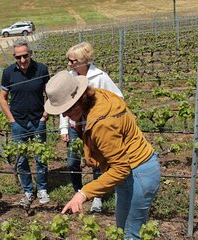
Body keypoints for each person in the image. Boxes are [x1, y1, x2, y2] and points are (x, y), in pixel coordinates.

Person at [45, 70, 160, 239]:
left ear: (79, 100)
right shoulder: (98, 96)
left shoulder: (102, 123)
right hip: (131, 171)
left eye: (67, 109)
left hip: (139, 173)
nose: (64, 115)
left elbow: (121, 168)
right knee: (123, 230)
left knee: (131, 234)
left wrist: (83, 193)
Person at [60, 42, 124, 212]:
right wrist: (64, 128)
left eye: (72, 61)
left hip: (95, 128)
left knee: (97, 161)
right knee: (72, 162)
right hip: (75, 127)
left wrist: (105, 118)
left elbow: (118, 99)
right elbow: (62, 103)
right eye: (68, 60)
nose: (69, 64)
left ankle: (97, 197)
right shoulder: (69, 77)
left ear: (84, 61)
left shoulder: (100, 77)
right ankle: (78, 193)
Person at [0, 38, 50, 205]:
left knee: (40, 156)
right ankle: (28, 191)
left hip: (37, 120)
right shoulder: (8, 73)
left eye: (25, 56)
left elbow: (50, 94)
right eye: (18, 57)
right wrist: (11, 120)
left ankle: (42, 189)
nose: (22, 60)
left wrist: (45, 115)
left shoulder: (41, 69)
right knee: (21, 159)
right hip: (19, 122)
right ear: (14, 57)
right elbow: (3, 98)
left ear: (31, 54)